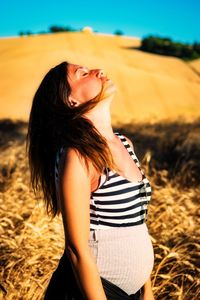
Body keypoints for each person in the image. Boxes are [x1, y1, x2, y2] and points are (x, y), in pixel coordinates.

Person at [27, 61, 155, 300]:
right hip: (90, 293)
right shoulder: (78, 155)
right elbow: (76, 249)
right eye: (83, 73)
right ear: (70, 101)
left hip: (133, 293)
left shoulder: (124, 143)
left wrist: (146, 290)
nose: (100, 71)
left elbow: (137, 222)